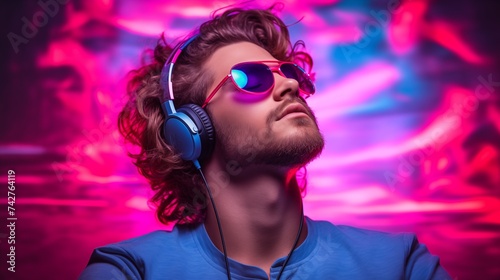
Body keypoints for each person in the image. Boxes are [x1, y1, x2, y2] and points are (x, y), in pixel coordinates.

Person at [79, 5, 452, 280]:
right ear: (190, 129)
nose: (290, 85)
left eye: (289, 73)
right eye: (251, 78)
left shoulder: (398, 264)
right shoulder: (129, 271)